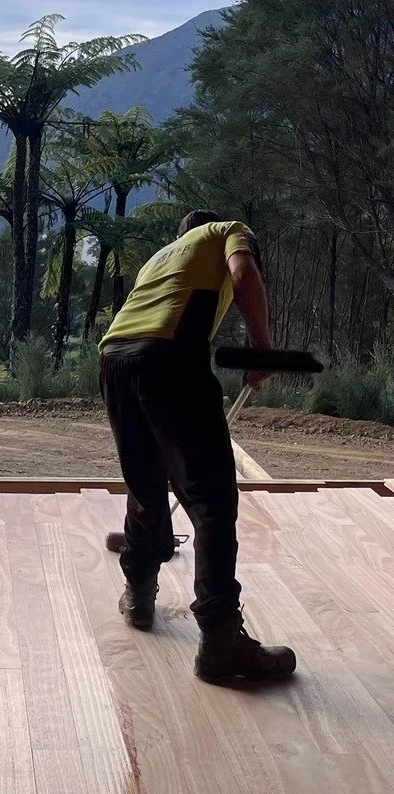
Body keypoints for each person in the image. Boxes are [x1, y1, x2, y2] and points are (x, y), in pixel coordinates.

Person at [99, 210, 296, 683]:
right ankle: (221, 641)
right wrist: (262, 347)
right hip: (169, 359)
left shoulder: (161, 257)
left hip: (115, 357)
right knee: (211, 502)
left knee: (146, 482)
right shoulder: (227, 231)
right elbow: (244, 272)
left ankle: (139, 595)